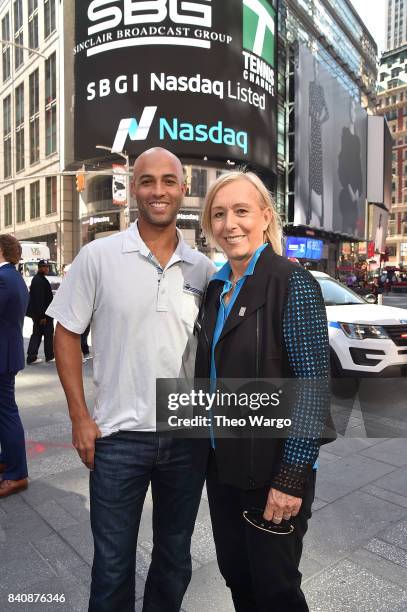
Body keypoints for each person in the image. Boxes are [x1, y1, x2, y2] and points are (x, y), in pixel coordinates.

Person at [47, 147, 215, 612]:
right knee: (112, 566)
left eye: (168, 181)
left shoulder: (204, 269)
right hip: (117, 438)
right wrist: (80, 417)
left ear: (183, 189)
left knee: (174, 560)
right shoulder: (98, 255)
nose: (157, 191)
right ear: (131, 190)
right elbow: (65, 334)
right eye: (147, 181)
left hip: (185, 438)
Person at [194, 170, 332, 612]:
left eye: (240, 211)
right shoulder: (216, 288)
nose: (229, 223)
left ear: (266, 216)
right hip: (223, 468)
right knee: (238, 578)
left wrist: (290, 479)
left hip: (273, 473)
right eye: (218, 214)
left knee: (276, 592)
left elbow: (312, 388)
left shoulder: (291, 282)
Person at [0, 234, 29, 497]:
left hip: (3, 357)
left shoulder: (4, 278)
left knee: (6, 413)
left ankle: (17, 473)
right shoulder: (14, 277)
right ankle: (8, 460)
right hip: (6, 354)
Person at [26, 259, 55, 364]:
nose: (47, 269)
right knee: (46, 334)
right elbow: (39, 300)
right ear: (39, 268)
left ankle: (32, 357)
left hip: (41, 313)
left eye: (47, 267)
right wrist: (42, 316)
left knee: (38, 334)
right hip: (43, 314)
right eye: (44, 267)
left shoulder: (40, 279)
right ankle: (49, 356)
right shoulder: (38, 280)